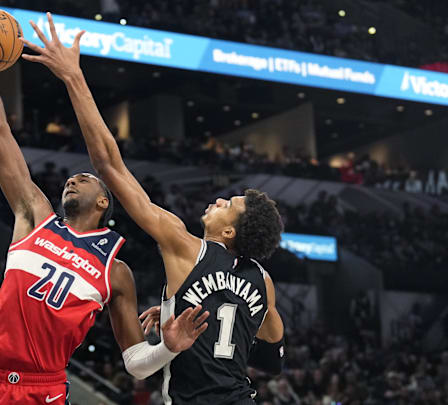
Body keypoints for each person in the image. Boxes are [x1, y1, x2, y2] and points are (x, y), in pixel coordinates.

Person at [22, 13, 286, 405]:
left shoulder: (185, 247)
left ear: (230, 232)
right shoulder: (263, 281)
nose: (218, 200)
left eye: (228, 205)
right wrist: (174, 305)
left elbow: (109, 165)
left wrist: (73, 78)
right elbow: (273, 356)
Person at [0, 9, 209, 405]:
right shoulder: (34, 215)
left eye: (84, 178)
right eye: (71, 179)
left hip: (45, 389)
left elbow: (137, 362)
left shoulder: (116, 271)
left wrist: (168, 347)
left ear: (104, 201)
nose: (72, 179)